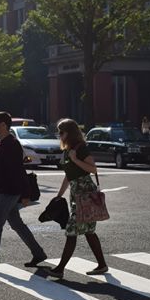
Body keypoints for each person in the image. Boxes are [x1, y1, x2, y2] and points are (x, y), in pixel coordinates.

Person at [0, 111, 47, 274]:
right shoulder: (1, 142)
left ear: (4, 125)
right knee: (17, 224)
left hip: (9, 192)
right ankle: (38, 253)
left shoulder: (12, 144)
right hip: (2, 191)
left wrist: (26, 194)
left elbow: (19, 170)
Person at [47, 118, 108, 279]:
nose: (59, 135)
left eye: (61, 132)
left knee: (71, 230)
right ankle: (102, 265)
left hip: (85, 192)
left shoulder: (80, 149)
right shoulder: (67, 150)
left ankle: (59, 269)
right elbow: (68, 176)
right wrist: (58, 196)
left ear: (70, 133)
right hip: (76, 192)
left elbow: (93, 168)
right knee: (88, 231)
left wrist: (75, 159)